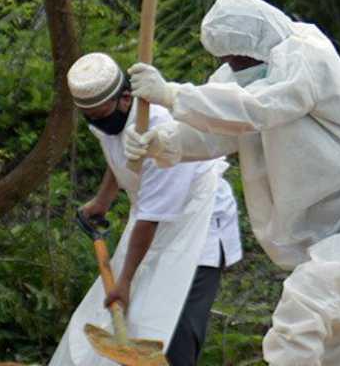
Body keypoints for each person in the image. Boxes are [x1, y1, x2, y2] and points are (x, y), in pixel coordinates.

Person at [122, 0, 340, 365]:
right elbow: (219, 129)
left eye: (240, 57)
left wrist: (173, 95)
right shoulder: (240, 77)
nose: (235, 66)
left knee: (302, 317)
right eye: (228, 60)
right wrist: (163, 141)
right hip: (321, 229)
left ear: (260, 40)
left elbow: (260, 106)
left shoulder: (306, 53)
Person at [50, 52, 242, 366]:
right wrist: (102, 200)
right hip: (149, 218)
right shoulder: (107, 119)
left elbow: (150, 219)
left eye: (101, 115)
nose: (97, 123)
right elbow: (118, 154)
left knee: (174, 330)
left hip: (196, 227)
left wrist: (124, 281)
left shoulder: (160, 134)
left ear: (125, 98)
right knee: (131, 317)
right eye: (90, 117)